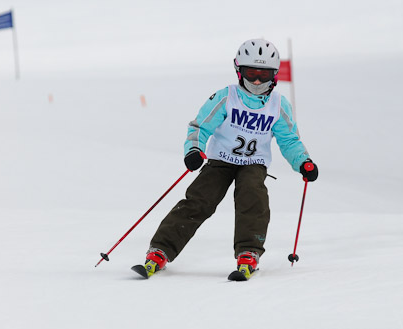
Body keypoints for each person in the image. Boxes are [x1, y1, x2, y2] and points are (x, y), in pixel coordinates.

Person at [135, 39, 318, 280]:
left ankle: (248, 252)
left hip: (254, 163)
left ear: (273, 75)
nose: (256, 81)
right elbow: (200, 126)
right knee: (199, 199)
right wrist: (193, 150)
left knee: (252, 195)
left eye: (264, 75)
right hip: (221, 160)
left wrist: (303, 162)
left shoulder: (277, 104)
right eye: (250, 73)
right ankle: (160, 251)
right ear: (238, 71)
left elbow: (289, 140)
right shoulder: (226, 96)